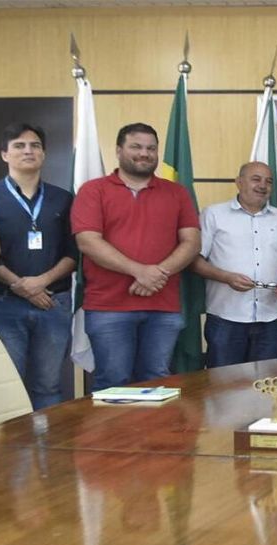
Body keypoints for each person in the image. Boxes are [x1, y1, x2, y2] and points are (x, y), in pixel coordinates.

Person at [70, 123, 200, 389]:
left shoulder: (176, 192)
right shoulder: (93, 190)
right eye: (136, 147)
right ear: (118, 150)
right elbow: (88, 242)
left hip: (163, 306)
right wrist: (139, 271)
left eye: (151, 148)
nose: (145, 153)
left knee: (156, 381)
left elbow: (192, 242)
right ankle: (111, 434)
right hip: (108, 307)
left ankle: (151, 434)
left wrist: (156, 273)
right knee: (113, 382)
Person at [0, 123, 77, 410]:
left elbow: (73, 253)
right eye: (19, 146)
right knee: (5, 386)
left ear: (44, 154)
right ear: (4, 155)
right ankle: (8, 455)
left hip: (52, 302)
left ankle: (45, 453)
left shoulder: (63, 198)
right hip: (3, 302)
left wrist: (40, 282)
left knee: (48, 386)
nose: (28, 151)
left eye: (35, 145)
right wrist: (19, 285)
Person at [191, 162, 277, 367]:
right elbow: (195, 262)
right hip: (226, 317)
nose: (263, 185)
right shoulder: (214, 214)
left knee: (266, 387)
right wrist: (226, 277)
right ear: (239, 182)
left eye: (268, 181)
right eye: (256, 179)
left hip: (270, 318)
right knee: (223, 386)